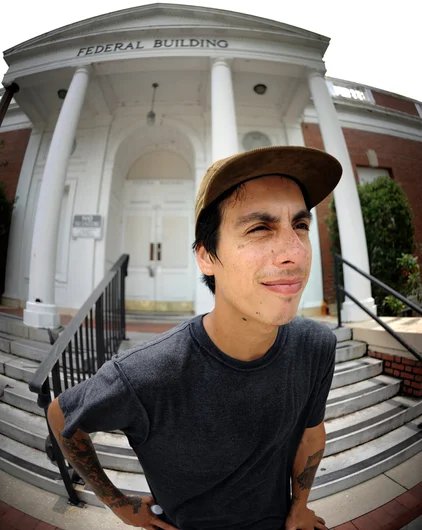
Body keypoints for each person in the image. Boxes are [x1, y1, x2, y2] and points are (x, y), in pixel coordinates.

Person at [48, 146, 342, 530]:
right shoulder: (147, 374)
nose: (295, 253)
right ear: (206, 256)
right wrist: (119, 505)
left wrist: (300, 505)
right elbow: (60, 416)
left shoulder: (315, 346)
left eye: (300, 226)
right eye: (259, 228)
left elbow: (310, 433)